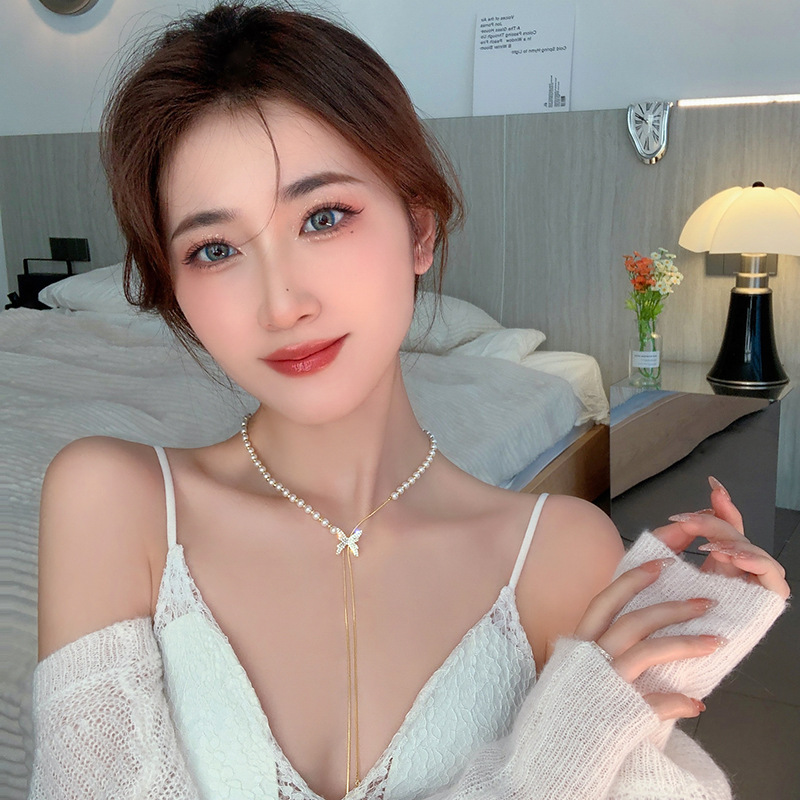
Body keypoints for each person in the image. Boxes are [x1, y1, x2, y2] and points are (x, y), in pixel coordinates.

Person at [31, 3, 789, 799]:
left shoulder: (559, 552)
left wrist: (661, 683)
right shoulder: (113, 502)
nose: (281, 303)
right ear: (176, 291)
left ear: (419, 230)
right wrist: (549, 763)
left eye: (323, 217)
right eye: (214, 249)